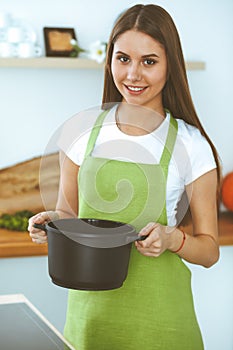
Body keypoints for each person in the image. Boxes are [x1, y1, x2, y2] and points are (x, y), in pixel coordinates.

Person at [28, 4, 221, 350]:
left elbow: (209, 251)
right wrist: (51, 222)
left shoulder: (191, 145)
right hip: (92, 320)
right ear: (109, 60)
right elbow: (69, 214)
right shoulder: (79, 131)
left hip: (162, 325)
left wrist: (172, 239)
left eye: (149, 61)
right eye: (123, 59)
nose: (133, 75)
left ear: (170, 65)